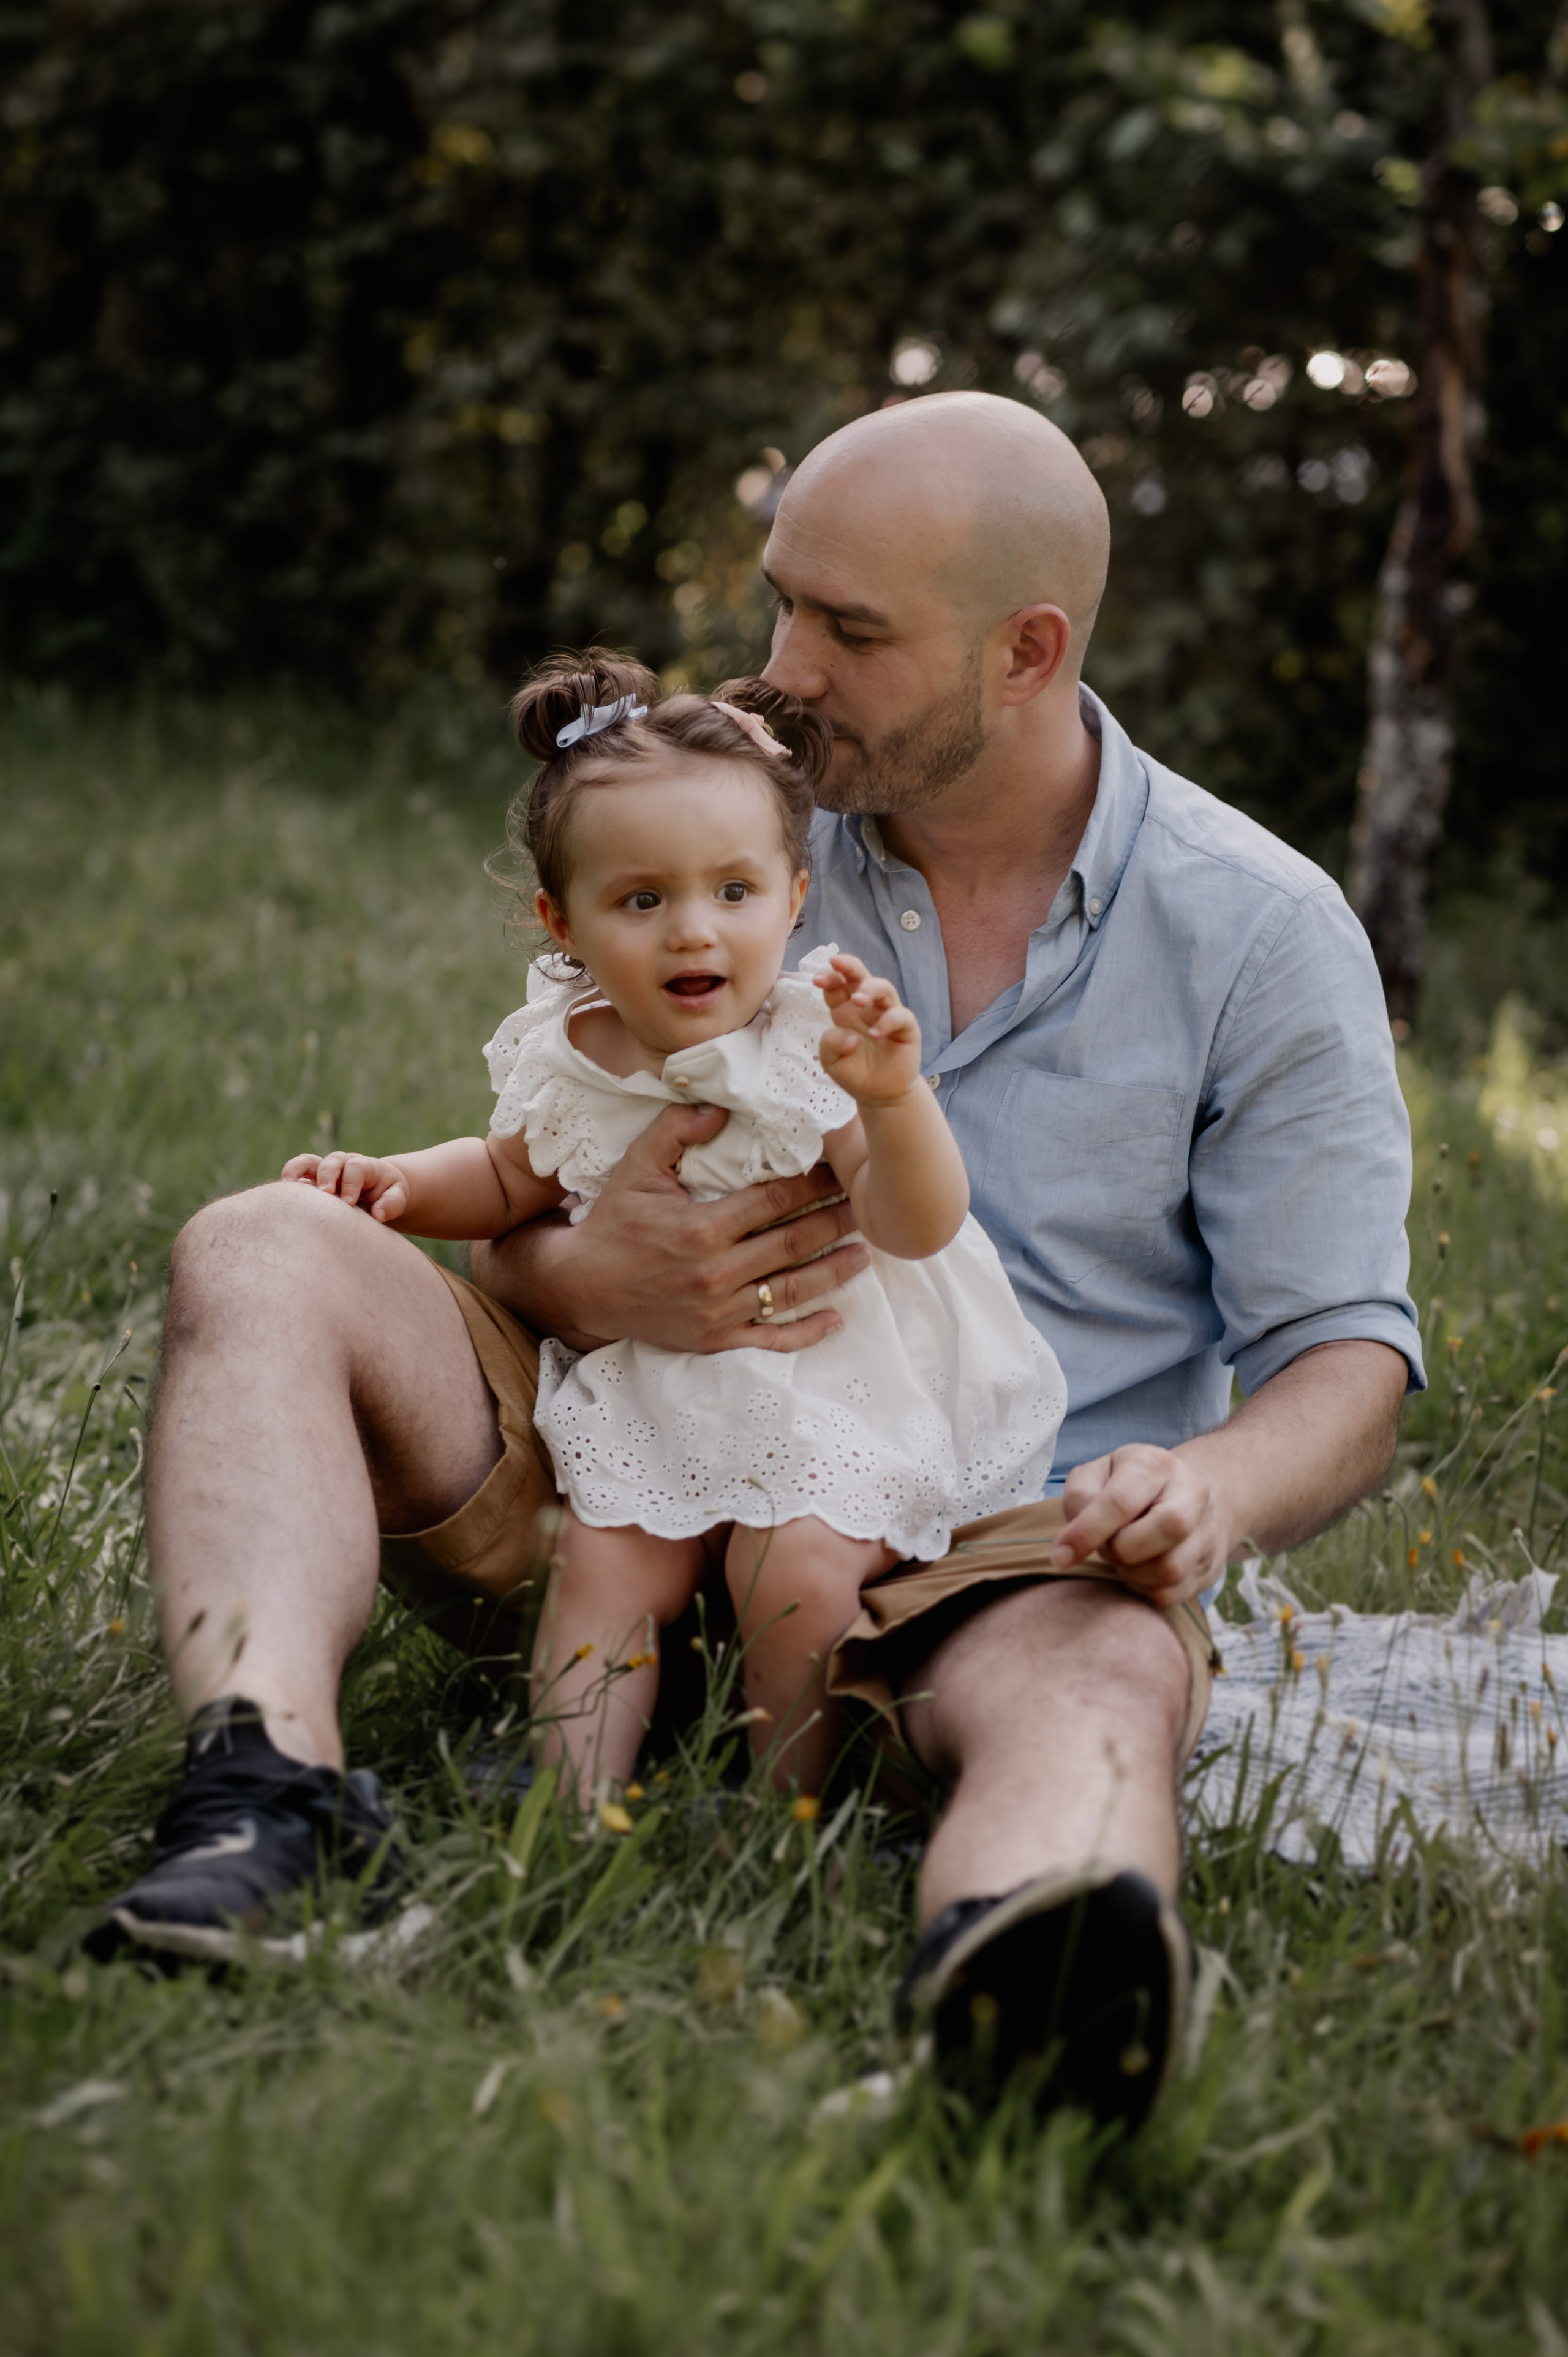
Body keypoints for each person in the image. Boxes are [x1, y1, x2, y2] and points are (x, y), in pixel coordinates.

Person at [90, 392, 1422, 2138]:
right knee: (262, 1243)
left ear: (1027, 651)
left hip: (973, 1558)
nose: (783, 665)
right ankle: (268, 1791)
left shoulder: (1258, 933)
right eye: (785, 598)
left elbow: (1349, 1364)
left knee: (1107, 1662)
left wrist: (1207, 1491)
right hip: (619, 1487)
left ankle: (1025, 1955)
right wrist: (578, 1280)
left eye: (849, 630)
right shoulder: (716, 822)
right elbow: (537, 1168)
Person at [276, 662, 1065, 1803]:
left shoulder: (811, 1046)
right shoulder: (577, 1051)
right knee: (601, 1568)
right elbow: (506, 1178)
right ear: (565, 922)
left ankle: (786, 1812)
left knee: (790, 1572)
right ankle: (571, 1811)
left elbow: (915, 1223)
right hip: (662, 1388)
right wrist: (390, 1183)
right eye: (643, 901)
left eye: (733, 892)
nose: (694, 932)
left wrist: (894, 1105)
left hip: (835, 1385)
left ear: (794, 898)